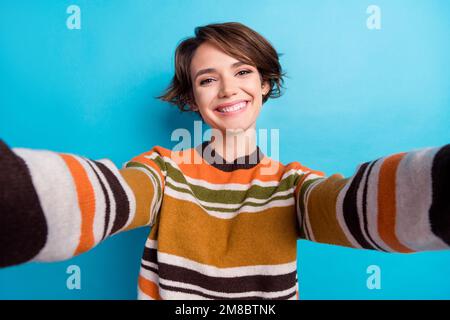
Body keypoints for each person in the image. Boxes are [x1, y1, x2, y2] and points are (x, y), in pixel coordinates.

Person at [0, 22, 448, 300]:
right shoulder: (164, 171)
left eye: (243, 71)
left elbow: (355, 206)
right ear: (193, 99)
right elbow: (108, 196)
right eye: (208, 79)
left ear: (265, 83)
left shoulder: (292, 184)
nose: (229, 90)